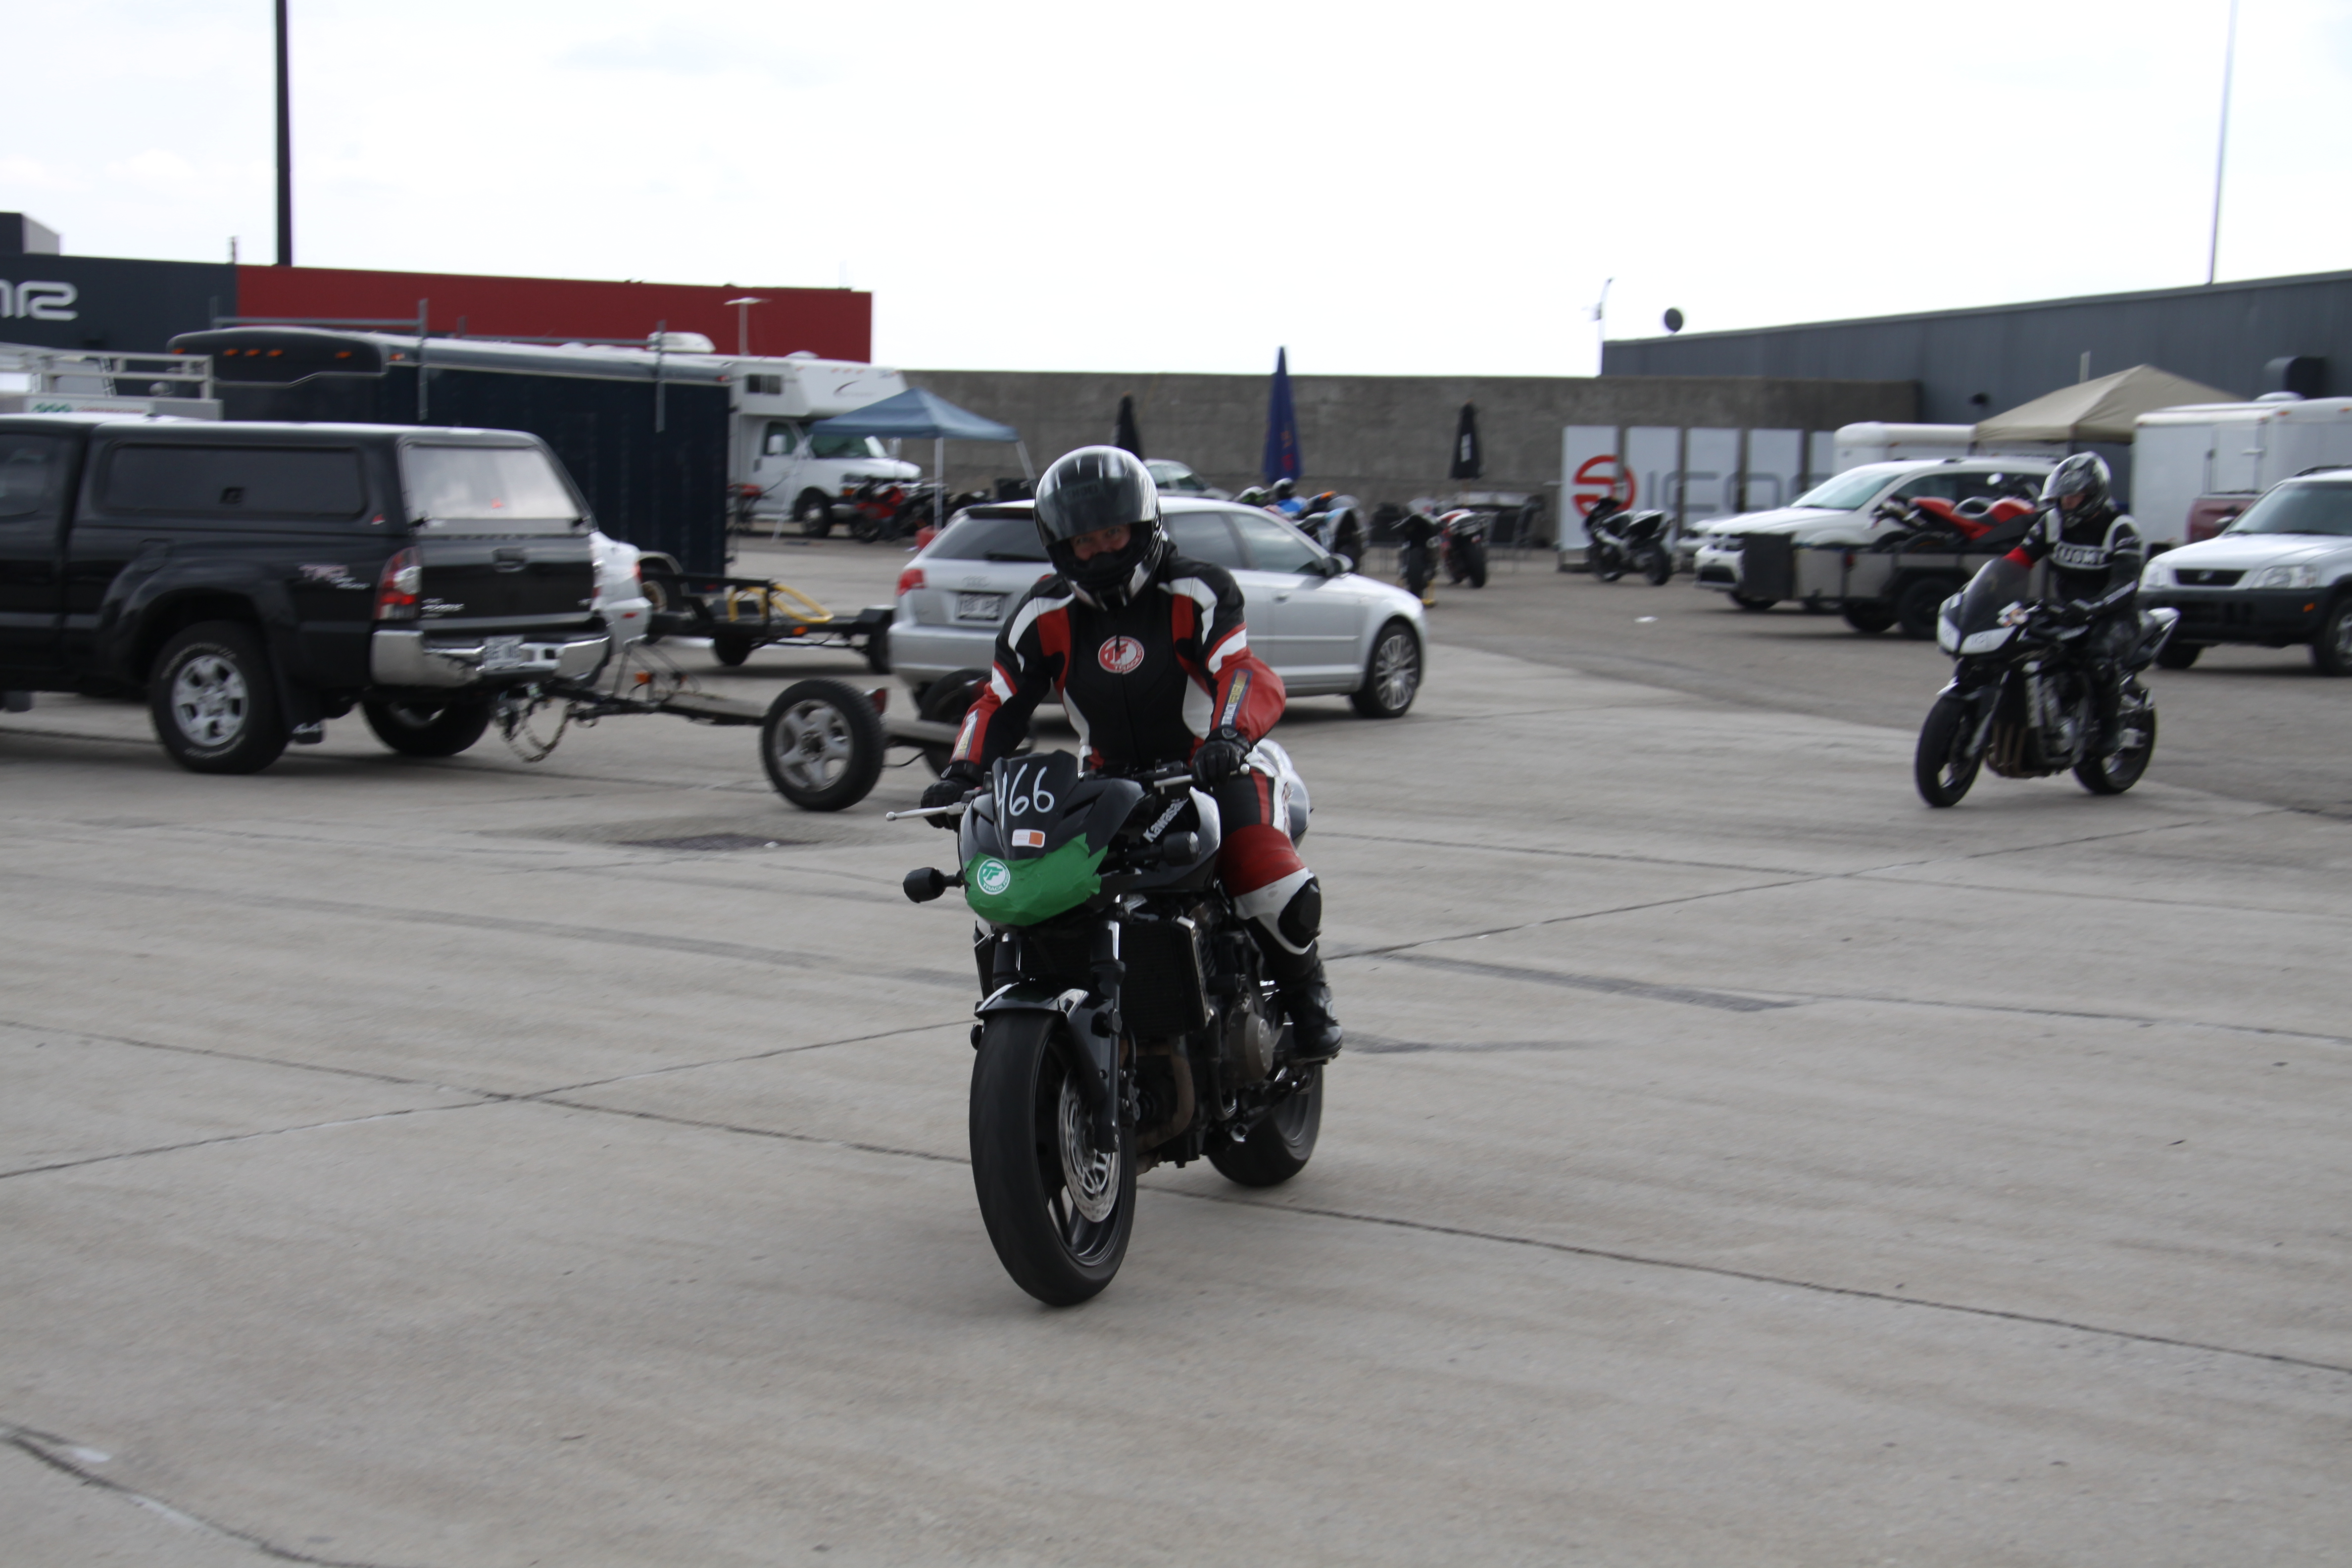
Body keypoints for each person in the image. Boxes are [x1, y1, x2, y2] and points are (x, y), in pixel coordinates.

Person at [919, 446, 1341, 1060]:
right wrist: (962, 772)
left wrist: (1228, 736)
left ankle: (1308, 998)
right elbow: (1000, 703)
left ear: (1143, 528)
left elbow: (1241, 670)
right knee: (1015, 885)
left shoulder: (1196, 589)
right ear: (1061, 545)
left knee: (1260, 867)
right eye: (1083, 541)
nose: (1099, 552)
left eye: (1112, 534)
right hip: (1108, 783)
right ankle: (1029, 1018)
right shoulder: (1042, 611)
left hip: (1215, 765)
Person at [2004, 453, 2145, 751]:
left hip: (2114, 615)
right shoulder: (2051, 522)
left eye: (2074, 496)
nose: (2066, 502)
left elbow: (2127, 583)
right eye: (2063, 496)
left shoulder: (2121, 529)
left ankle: (2110, 729)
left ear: (2094, 495)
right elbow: (2018, 560)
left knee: (2096, 659)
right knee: (2016, 643)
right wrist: (1988, 586)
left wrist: (2095, 606)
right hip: (2068, 610)